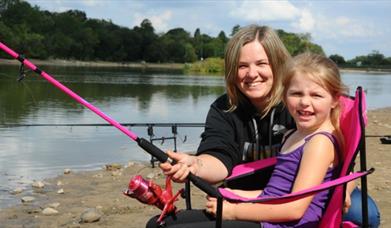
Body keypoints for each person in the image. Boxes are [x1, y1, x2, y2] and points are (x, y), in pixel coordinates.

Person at [151, 25, 380, 226]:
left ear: (279, 65)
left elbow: (342, 159)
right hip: (257, 193)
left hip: (303, 195)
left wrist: (344, 190)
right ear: (232, 70)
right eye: (242, 66)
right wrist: (195, 164)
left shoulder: (300, 104)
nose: (252, 74)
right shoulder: (224, 108)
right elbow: (219, 156)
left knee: (364, 215)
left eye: (262, 63)